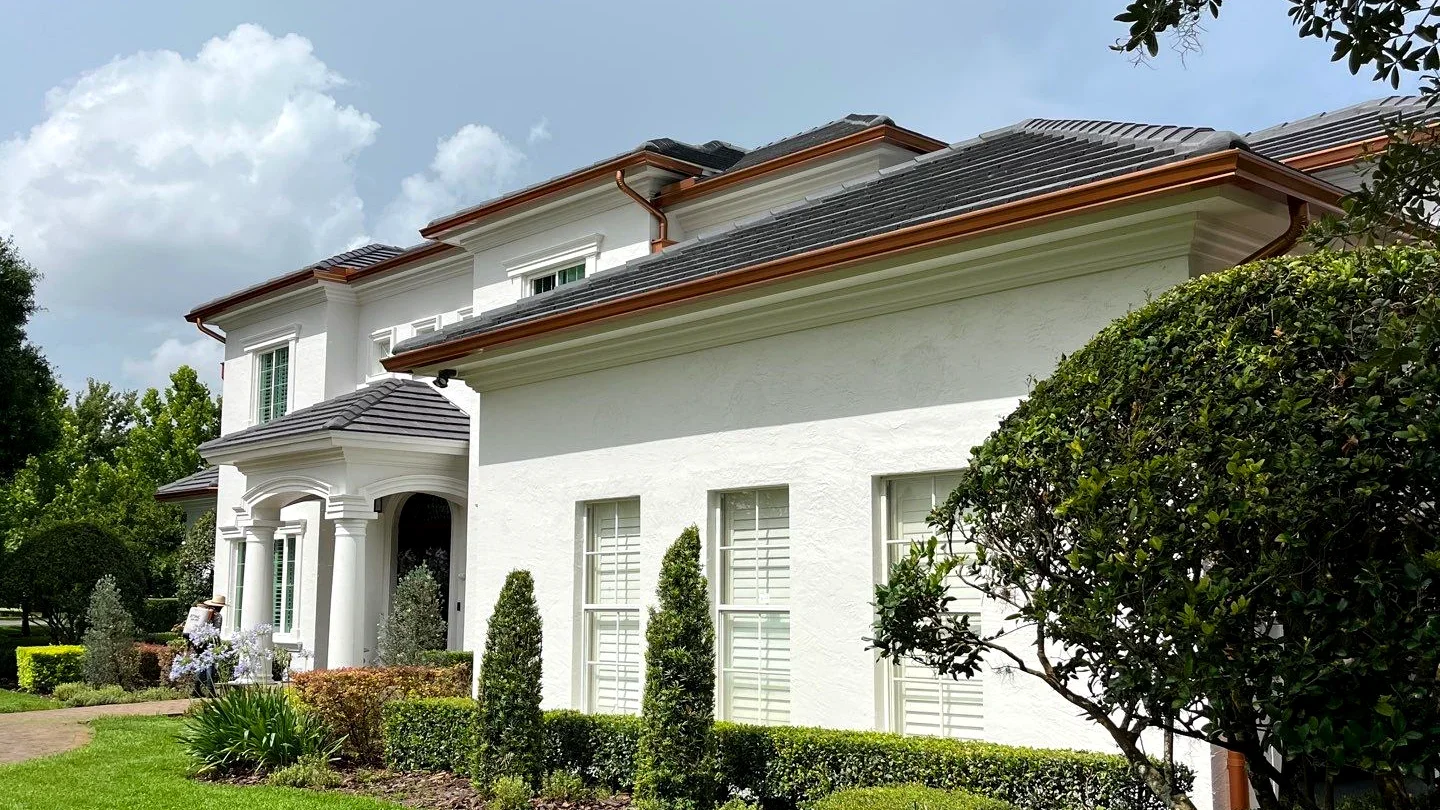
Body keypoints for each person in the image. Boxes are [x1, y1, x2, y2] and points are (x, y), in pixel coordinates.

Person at [182, 596, 225, 696]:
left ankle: (196, 689)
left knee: (202, 664)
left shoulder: (202, 613)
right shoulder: (218, 615)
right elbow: (216, 632)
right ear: (220, 607)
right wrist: (217, 644)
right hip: (208, 643)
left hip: (197, 641)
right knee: (210, 666)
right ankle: (210, 690)